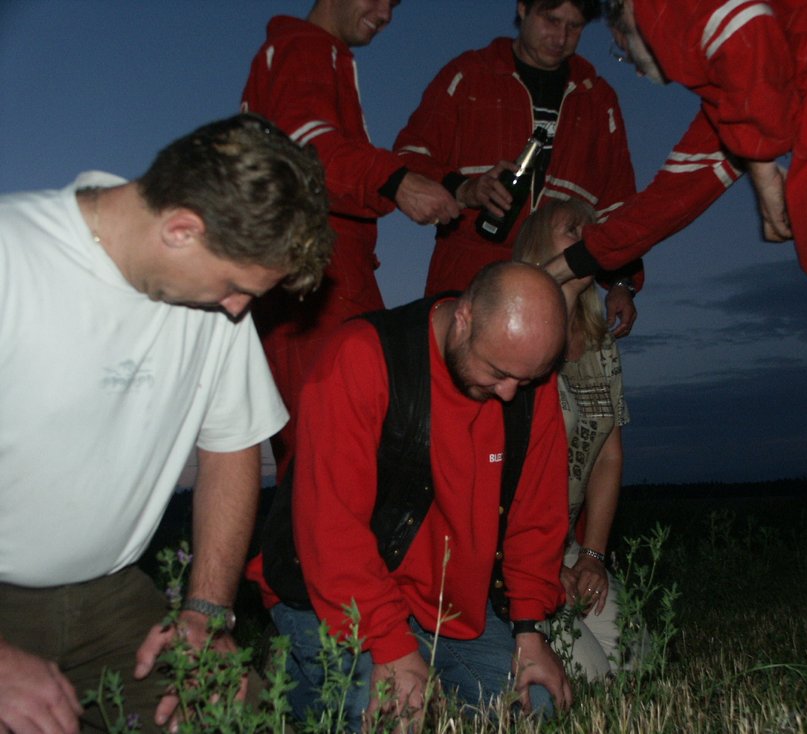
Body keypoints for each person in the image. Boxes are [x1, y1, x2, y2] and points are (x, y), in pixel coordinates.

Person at [545, 0, 807, 721]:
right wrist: (580, 261)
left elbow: (738, 42)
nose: (642, 67)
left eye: (622, 48)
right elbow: (682, 183)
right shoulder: (765, 71)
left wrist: (765, 166)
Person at [0, 114, 333, 733]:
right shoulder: (13, 258)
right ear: (182, 228)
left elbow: (232, 448)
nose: (241, 311)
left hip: (111, 596)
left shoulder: (216, 306)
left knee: (240, 717)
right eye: (237, 288)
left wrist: (207, 611)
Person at [248, 262, 573, 729]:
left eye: (525, 380)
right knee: (385, 719)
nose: (508, 394)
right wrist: (392, 645)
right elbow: (330, 529)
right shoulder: (362, 357)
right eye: (498, 372)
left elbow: (536, 515)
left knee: (537, 710)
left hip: (443, 604)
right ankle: (298, 677)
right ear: (463, 318)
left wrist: (528, 628)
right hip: (329, 594)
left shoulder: (528, 383)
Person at [241, 0, 461, 478]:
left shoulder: (311, 54)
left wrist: (454, 186)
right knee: (330, 457)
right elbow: (308, 147)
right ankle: (304, 555)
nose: (386, 14)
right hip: (314, 287)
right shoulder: (304, 48)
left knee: (344, 451)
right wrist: (395, 180)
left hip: (328, 282)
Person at [393, 0, 643, 337]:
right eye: (551, 20)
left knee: (554, 389)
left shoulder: (599, 99)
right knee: (462, 383)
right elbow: (408, 157)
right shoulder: (468, 74)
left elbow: (620, 202)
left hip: (563, 291)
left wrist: (622, 281)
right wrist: (465, 189)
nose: (561, 37)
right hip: (468, 280)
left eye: (574, 26)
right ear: (523, 8)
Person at [514, 200, 628, 680]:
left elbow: (608, 457)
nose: (588, 237)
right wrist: (533, 562)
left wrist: (593, 556)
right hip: (514, 548)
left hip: (568, 547)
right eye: (571, 230)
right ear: (540, 247)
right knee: (589, 679)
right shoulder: (512, 333)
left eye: (592, 229)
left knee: (631, 665)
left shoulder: (598, 343)